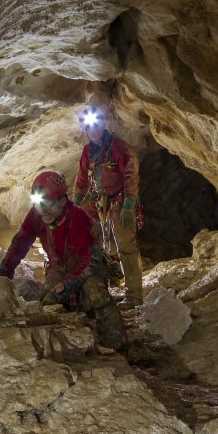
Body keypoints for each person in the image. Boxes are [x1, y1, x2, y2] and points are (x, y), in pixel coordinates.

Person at [0, 170, 127, 351]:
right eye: (38, 205)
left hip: (86, 271)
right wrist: (3, 274)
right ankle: (60, 343)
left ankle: (116, 344)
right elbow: (19, 244)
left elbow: (91, 264)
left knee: (97, 295)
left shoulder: (79, 218)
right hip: (58, 269)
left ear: (62, 201)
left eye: (47, 205)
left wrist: (63, 287)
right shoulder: (36, 215)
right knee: (48, 304)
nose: (42, 211)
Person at [72, 106, 144, 308]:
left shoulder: (118, 146)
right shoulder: (88, 151)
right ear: (85, 130)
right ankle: (102, 290)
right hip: (98, 203)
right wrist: (74, 206)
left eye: (95, 125)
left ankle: (134, 296)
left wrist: (128, 205)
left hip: (120, 201)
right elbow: (81, 180)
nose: (93, 131)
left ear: (103, 124)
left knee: (126, 247)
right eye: (88, 127)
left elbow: (131, 176)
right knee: (94, 245)